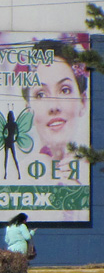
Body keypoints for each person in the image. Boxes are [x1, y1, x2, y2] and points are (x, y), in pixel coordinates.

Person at [22, 40, 88, 183]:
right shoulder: (16, 177)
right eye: (40, 94)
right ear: (28, 111)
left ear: (83, 102)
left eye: (65, 90)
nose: (54, 106)